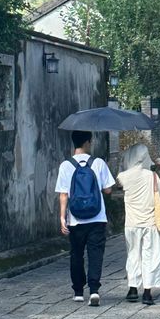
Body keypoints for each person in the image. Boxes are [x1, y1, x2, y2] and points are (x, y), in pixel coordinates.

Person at [55, 130, 115, 306]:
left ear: (74, 143)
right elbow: (108, 190)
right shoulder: (98, 163)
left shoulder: (65, 165)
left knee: (76, 254)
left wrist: (62, 217)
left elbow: (63, 194)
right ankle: (94, 290)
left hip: (75, 219)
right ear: (88, 142)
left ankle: (78, 291)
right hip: (97, 218)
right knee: (96, 253)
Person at [117, 143, 160, 305]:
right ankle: (148, 291)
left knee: (133, 255)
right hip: (150, 223)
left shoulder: (123, 177)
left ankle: (132, 288)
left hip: (131, 224)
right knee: (150, 255)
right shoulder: (152, 176)